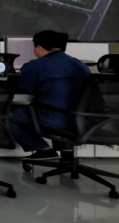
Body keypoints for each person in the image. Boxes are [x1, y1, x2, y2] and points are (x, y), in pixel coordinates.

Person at [9, 30, 90, 160]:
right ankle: (67, 152)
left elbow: (18, 87)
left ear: (39, 47)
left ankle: (43, 150)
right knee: (62, 106)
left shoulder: (37, 65)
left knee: (7, 115)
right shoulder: (81, 66)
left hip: (52, 119)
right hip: (80, 120)